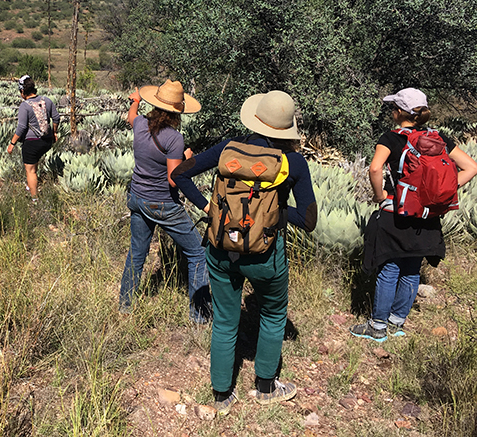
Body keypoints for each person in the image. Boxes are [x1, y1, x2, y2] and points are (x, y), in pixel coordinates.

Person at [172, 90, 317, 414]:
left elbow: (180, 174)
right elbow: (309, 220)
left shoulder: (229, 149)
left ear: (255, 119)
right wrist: (273, 215)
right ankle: (266, 386)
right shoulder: (292, 162)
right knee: (273, 313)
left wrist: (210, 209)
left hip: (222, 249)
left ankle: (222, 395)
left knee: (225, 320)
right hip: (266, 256)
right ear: (285, 130)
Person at [350, 88, 477, 341]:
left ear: (399, 113)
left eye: (393, 108)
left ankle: (377, 327)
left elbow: (375, 168)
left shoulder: (391, 138)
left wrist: (380, 196)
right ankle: (397, 323)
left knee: (389, 268)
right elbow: (471, 167)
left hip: (398, 212)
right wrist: (441, 192)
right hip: (428, 216)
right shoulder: (439, 138)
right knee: (411, 269)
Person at [118, 79, 211, 324]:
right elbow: (173, 180)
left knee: (137, 253)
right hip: (162, 204)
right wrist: (187, 159)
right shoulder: (174, 139)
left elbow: (131, 117)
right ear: (177, 111)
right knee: (198, 253)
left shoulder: (140, 124)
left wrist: (135, 101)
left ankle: (125, 306)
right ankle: (199, 316)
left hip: (137, 197)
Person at [7, 75, 59, 203]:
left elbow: (22, 127)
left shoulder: (25, 106)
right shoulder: (46, 100)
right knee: (34, 164)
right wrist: (54, 133)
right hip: (46, 141)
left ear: (23, 91)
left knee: (30, 171)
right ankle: (31, 186)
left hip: (32, 143)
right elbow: (56, 118)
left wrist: (12, 143)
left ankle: (34, 199)